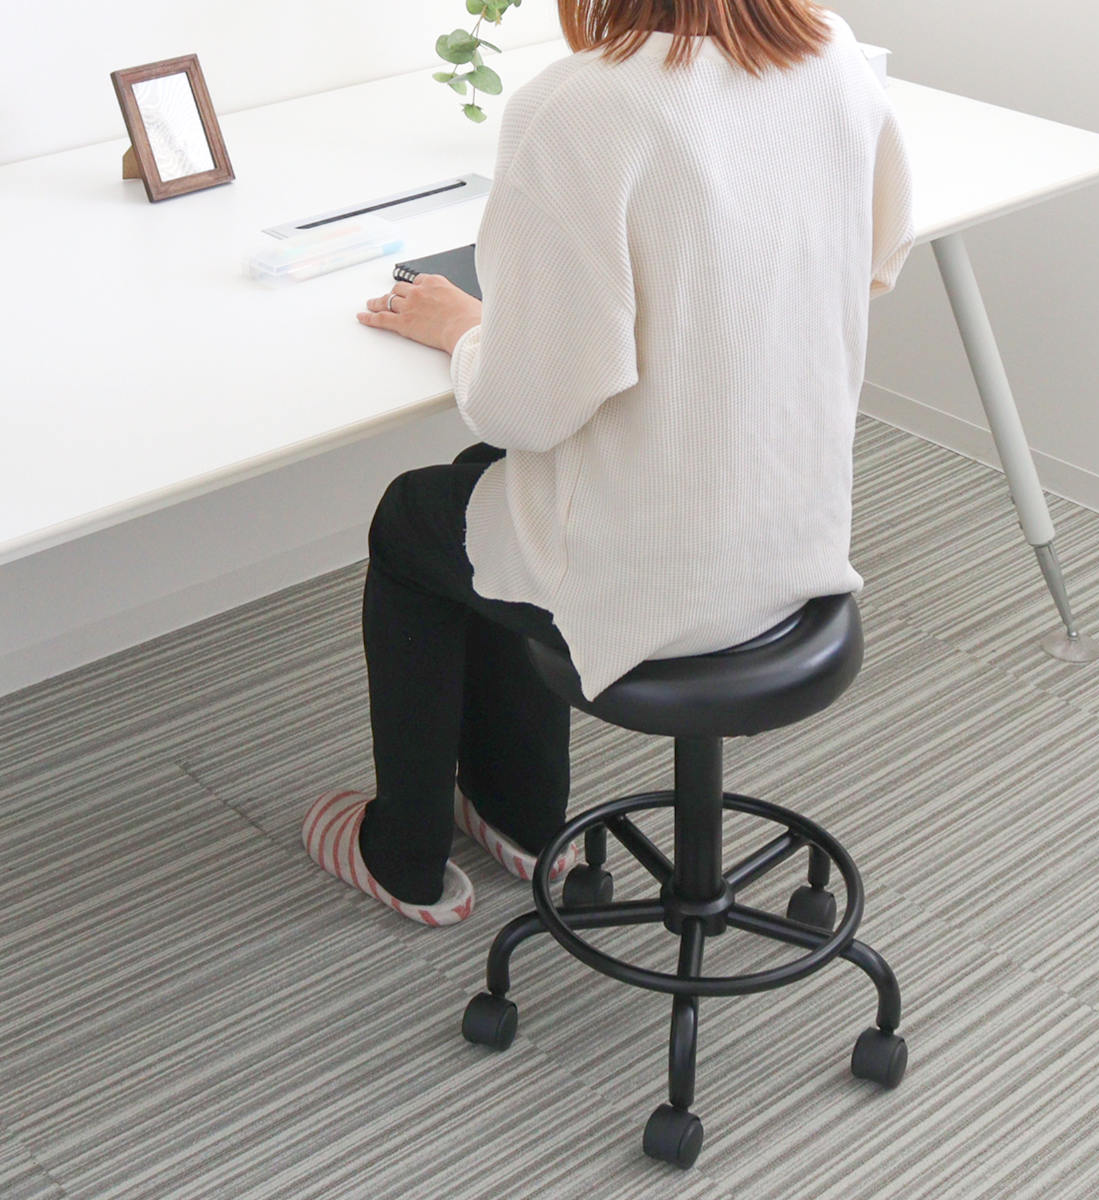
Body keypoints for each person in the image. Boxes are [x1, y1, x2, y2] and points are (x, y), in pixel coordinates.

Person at [302, 0, 914, 925]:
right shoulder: (830, 54)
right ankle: (516, 815)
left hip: (653, 585)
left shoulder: (579, 107)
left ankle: (403, 856)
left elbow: (525, 408)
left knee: (414, 519)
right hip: (795, 537)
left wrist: (466, 328)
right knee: (488, 487)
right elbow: (877, 257)